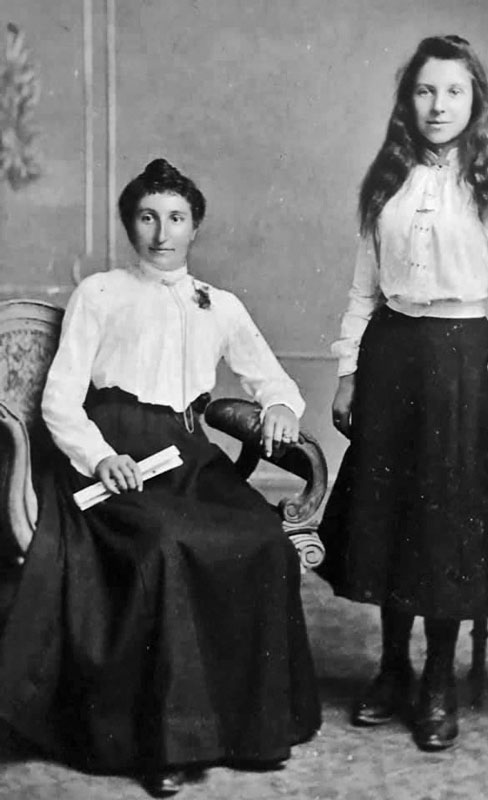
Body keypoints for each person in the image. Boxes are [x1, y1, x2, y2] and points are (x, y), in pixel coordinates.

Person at [0, 159, 321, 795]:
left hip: (187, 454)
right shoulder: (100, 294)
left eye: (176, 218)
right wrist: (99, 457)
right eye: (148, 217)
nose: (162, 232)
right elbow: (60, 401)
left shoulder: (219, 305)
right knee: (165, 548)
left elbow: (271, 378)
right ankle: (166, 743)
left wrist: (282, 405)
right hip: (111, 451)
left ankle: (250, 729)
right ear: (130, 225)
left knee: (262, 538)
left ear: (194, 227)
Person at [317, 35, 488, 752]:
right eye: (425, 90)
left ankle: (438, 678)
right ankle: (393, 668)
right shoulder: (388, 179)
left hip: (460, 361)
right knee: (390, 513)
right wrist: (349, 372)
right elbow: (363, 286)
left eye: (453, 91)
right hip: (391, 354)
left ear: (476, 100)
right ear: (407, 100)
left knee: (445, 518)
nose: (438, 105)